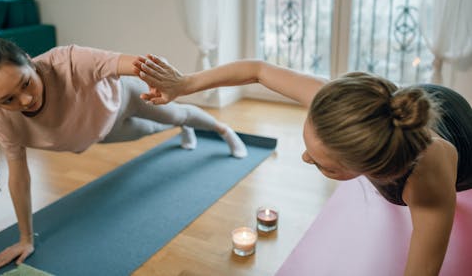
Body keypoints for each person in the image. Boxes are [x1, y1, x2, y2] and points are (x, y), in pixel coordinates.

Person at [133, 55, 472, 276]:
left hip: (462, 135)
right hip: (411, 102)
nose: (305, 158)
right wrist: (184, 84)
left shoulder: (426, 183)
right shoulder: (334, 106)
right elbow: (258, 70)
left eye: (325, 167)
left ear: (374, 168)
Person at [0, 38, 248, 271]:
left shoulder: (66, 61)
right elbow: (19, 176)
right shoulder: (3, 120)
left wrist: (167, 77)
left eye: (25, 83)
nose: (25, 99)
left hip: (125, 96)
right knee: (152, 130)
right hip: (102, 131)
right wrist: (25, 238)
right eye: (8, 100)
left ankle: (223, 130)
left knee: (176, 113)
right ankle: (182, 129)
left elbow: (133, 63)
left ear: (28, 59)